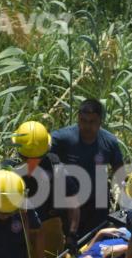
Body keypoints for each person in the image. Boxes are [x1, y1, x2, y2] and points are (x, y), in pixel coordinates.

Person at [7, 120, 81, 258]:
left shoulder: (54, 168)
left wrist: (71, 235)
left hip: (49, 233)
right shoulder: (9, 172)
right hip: (19, 235)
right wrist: (72, 234)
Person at [50, 99, 124, 236]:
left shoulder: (109, 142)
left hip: (98, 202)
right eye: (83, 121)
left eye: (92, 122)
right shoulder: (63, 138)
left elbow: (120, 173)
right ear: (78, 118)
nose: (87, 126)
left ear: (100, 121)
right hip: (70, 202)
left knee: (95, 241)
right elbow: (41, 147)